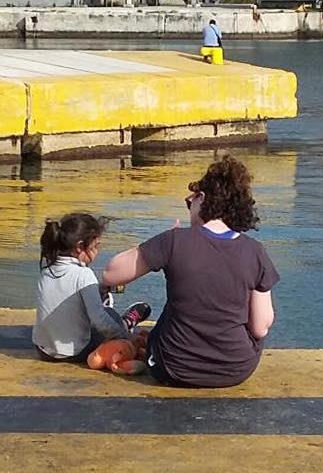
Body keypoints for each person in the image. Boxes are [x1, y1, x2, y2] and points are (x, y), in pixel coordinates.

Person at [102, 156, 279, 388]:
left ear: (202, 198)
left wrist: (161, 244)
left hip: (174, 368)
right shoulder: (255, 251)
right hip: (235, 370)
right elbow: (260, 326)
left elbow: (111, 273)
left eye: (190, 202)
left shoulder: (175, 241)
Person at [32, 213, 151, 362]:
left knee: (96, 306)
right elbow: (99, 321)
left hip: (44, 350)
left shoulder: (46, 271)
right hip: (76, 352)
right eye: (95, 246)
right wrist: (127, 337)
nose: (97, 252)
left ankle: (122, 321)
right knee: (108, 314)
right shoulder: (83, 274)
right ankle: (126, 323)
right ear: (80, 246)